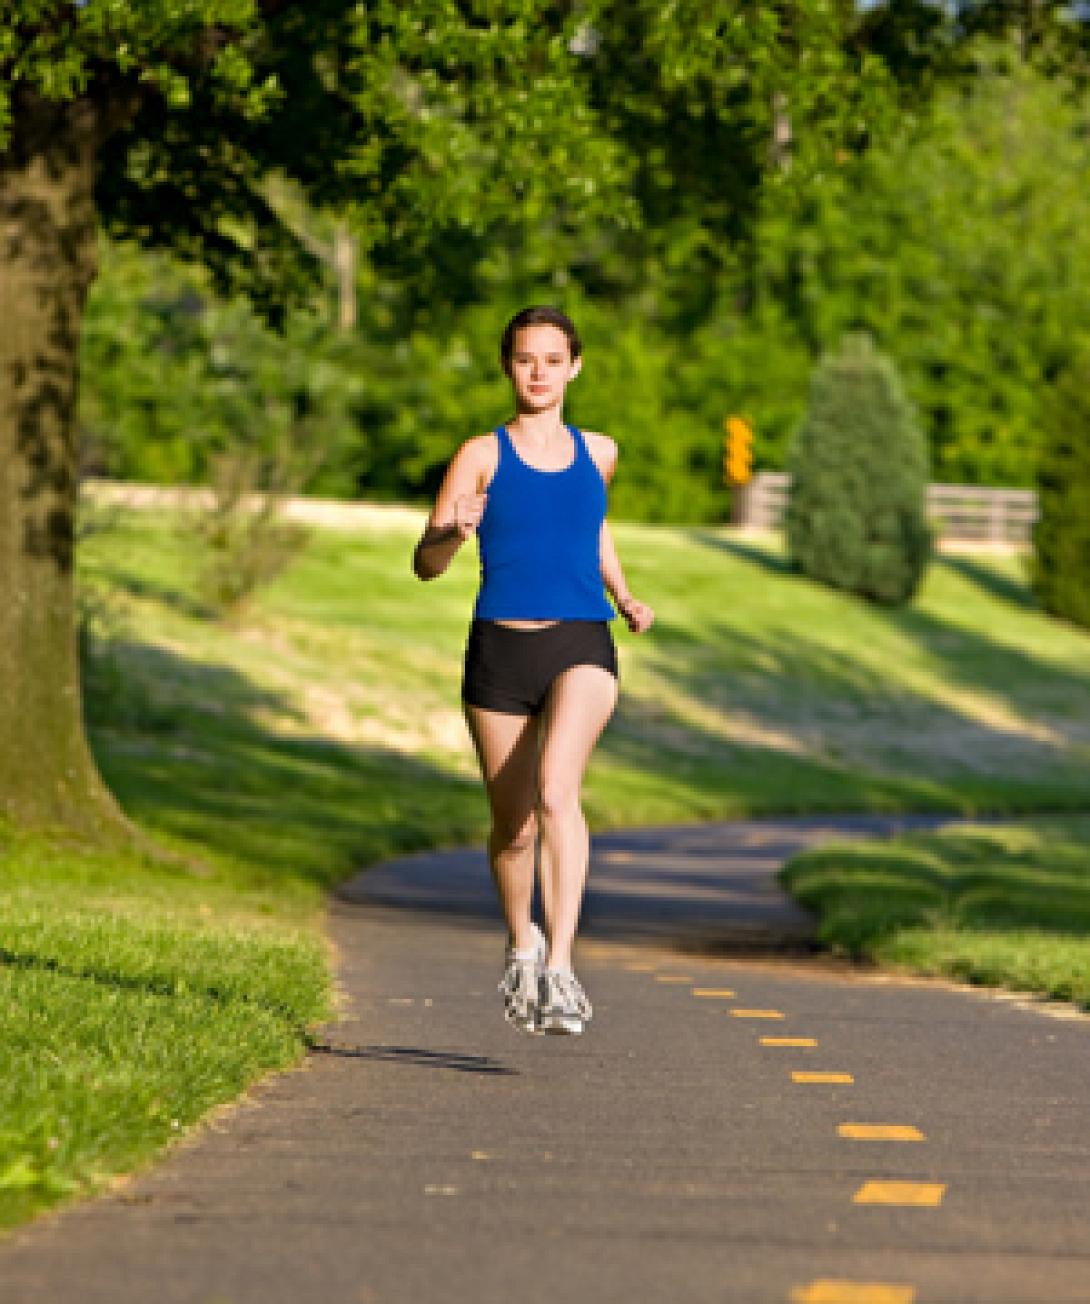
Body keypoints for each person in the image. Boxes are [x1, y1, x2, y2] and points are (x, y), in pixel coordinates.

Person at [412, 305, 654, 1035]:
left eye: (553, 359)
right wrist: (452, 534)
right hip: (500, 648)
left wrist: (622, 591)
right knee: (513, 827)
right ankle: (524, 944)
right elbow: (425, 565)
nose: (539, 372)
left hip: (582, 638)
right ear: (508, 367)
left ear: (574, 366)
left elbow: (592, 523)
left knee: (557, 791)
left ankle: (562, 970)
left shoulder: (601, 451)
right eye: (525, 359)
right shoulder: (480, 455)